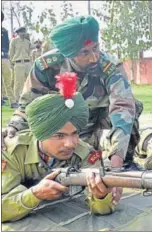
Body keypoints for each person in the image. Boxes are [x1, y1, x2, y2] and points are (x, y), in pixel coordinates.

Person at [3, 15, 140, 203]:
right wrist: (13, 128)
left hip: (98, 125)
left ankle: (125, 160)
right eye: (84, 52)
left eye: (96, 48)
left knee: (133, 107)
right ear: (68, 53)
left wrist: (116, 163)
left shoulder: (110, 66)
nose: (94, 57)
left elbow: (122, 108)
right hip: (61, 131)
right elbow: (28, 104)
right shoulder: (47, 66)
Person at [1, 74, 114, 223]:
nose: (70, 144)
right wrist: (34, 194)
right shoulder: (12, 152)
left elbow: (101, 209)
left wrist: (101, 197)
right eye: (59, 136)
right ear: (39, 135)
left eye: (75, 133)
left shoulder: (86, 154)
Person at [9, 26, 32, 103]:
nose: (23, 33)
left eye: (24, 32)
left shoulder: (27, 42)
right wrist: (12, 64)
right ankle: (17, 99)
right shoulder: (14, 41)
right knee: (18, 83)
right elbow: (11, 53)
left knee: (30, 81)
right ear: (18, 33)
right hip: (18, 63)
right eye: (22, 32)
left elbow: (29, 53)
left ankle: (29, 98)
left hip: (28, 63)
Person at [1, 11, 17, 108]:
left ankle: (12, 101)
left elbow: (7, 46)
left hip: (4, 58)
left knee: (7, 81)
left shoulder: (4, 31)